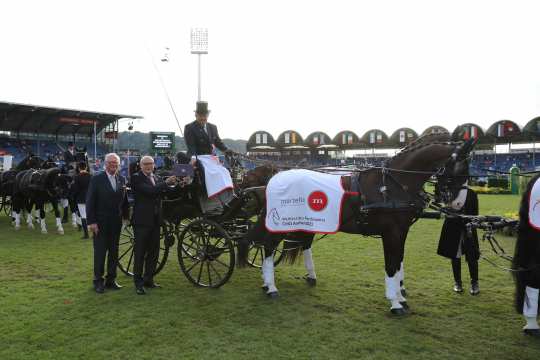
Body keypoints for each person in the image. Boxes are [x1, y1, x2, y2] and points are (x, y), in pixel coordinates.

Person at [130, 155, 177, 295]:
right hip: (142, 221)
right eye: (146, 164)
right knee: (140, 253)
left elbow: (169, 191)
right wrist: (166, 183)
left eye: (151, 164)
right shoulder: (136, 177)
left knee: (154, 252)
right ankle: (138, 283)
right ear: (141, 165)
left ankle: (149, 279)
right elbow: (150, 191)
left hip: (156, 221)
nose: (149, 166)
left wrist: (181, 183)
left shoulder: (156, 178)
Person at [86, 153, 128, 294]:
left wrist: (126, 217)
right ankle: (98, 281)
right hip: (100, 223)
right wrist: (92, 222)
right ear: (105, 163)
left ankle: (111, 280)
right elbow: (90, 201)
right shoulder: (97, 179)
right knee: (100, 253)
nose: (113, 165)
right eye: (110, 163)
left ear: (118, 164)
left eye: (115, 163)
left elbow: (125, 201)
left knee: (114, 253)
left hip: (116, 223)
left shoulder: (122, 179)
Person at [437, 187, 480, 295]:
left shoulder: (472, 193)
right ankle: (458, 282)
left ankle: (474, 283)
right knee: (455, 255)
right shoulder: (449, 193)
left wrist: (471, 224)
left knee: (472, 255)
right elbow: (444, 211)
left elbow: (475, 213)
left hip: (468, 227)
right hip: (453, 228)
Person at [184, 101, 234, 165]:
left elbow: (218, 142)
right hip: (198, 157)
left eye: (204, 116)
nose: (202, 118)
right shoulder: (189, 127)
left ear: (207, 115)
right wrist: (193, 158)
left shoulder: (213, 127)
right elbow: (191, 146)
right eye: (200, 116)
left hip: (211, 157)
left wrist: (226, 150)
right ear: (196, 115)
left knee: (224, 172)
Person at [71, 161, 92, 239]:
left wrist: (73, 196)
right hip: (90, 198)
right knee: (91, 215)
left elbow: (76, 189)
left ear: (79, 168)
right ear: (86, 167)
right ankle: (94, 233)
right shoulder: (91, 176)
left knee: (83, 216)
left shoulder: (77, 177)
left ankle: (86, 234)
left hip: (81, 198)